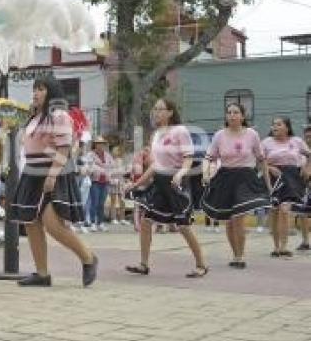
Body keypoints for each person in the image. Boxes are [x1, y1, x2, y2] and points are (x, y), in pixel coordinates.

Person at [10, 75, 97, 288]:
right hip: (31, 173)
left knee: (53, 225)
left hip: (51, 173)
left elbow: (64, 148)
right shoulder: (36, 116)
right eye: (34, 89)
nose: (35, 93)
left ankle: (88, 258)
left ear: (51, 91)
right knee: (31, 223)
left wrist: (52, 174)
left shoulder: (59, 115)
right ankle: (42, 273)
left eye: (40, 89)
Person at [125, 98, 208, 277]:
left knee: (183, 226)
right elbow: (155, 165)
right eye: (155, 109)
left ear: (170, 112)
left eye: (161, 109)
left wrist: (180, 173)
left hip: (176, 182)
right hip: (159, 183)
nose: (157, 112)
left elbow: (188, 158)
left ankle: (201, 265)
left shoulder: (180, 131)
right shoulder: (155, 135)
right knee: (146, 221)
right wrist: (137, 184)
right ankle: (143, 264)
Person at [201, 103, 272, 268]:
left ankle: (241, 256)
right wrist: (205, 174)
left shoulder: (252, 134)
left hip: (246, 178)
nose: (232, 115)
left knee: (238, 218)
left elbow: (262, 160)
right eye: (229, 112)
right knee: (229, 220)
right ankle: (235, 254)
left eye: (236, 112)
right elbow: (209, 157)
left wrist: (268, 185)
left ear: (242, 116)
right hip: (225, 177)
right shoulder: (219, 135)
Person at [262, 116, 311, 257]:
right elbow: (260, 161)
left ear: (287, 127)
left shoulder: (297, 141)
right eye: (273, 125)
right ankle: (276, 247)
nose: (274, 127)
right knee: (275, 210)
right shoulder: (266, 142)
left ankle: (283, 246)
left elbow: (309, 155)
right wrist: (270, 168)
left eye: (278, 124)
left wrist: (307, 168)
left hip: (292, 177)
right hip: (273, 177)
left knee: (285, 209)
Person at [86, 136, 112, 231]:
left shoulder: (108, 155)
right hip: (95, 181)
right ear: (95, 144)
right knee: (94, 202)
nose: (100, 145)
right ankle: (92, 222)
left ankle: (100, 223)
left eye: (102, 143)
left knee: (102, 203)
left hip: (105, 181)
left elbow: (111, 166)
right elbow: (89, 166)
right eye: (98, 143)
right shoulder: (90, 155)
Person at [297, 126, 311, 251]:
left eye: (310, 137)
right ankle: (305, 241)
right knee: (302, 214)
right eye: (306, 137)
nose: (308, 139)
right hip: (306, 188)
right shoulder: (302, 154)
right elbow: (303, 174)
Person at [108, 145, 127, 225]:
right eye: (115, 151)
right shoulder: (110, 161)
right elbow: (109, 172)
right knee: (113, 201)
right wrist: (119, 171)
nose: (117, 152)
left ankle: (122, 218)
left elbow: (124, 171)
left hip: (121, 182)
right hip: (113, 182)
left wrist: (121, 171)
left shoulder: (121, 160)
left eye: (118, 151)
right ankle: (113, 218)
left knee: (122, 201)